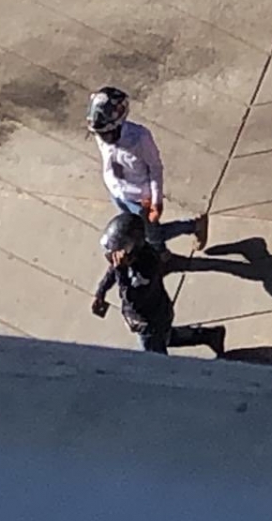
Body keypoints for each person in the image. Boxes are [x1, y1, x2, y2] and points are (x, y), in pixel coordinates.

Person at [87, 87, 208, 260]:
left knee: (153, 234)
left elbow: (155, 168)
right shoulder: (100, 134)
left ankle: (191, 228)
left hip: (140, 200)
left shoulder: (140, 138)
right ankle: (160, 251)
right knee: (134, 232)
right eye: (99, 134)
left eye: (106, 133)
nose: (103, 138)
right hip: (118, 194)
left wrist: (156, 202)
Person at [92, 213, 226, 356]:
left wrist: (121, 272)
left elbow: (133, 300)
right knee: (166, 337)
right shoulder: (128, 259)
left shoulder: (147, 266)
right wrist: (101, 291)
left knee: (155, 357)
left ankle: (168, 374)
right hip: (153, 316)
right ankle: (210, 336)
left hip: (151, 322)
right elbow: (113, 269)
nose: (116, 259)